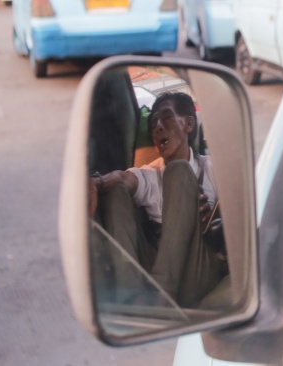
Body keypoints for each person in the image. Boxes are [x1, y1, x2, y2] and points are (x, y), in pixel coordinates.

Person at [89, 92, 223, 308]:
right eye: (153, 123)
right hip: (155, 260)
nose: (158, 126)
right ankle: (131, 294)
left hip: (197, 265)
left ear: (189, 123)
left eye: (167, 117)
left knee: (179, 170)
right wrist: (96, 183)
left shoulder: (213, 168)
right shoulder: (150, 173)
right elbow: (122, 178)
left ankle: (162, 292)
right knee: (116, 191)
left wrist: (216, 215)